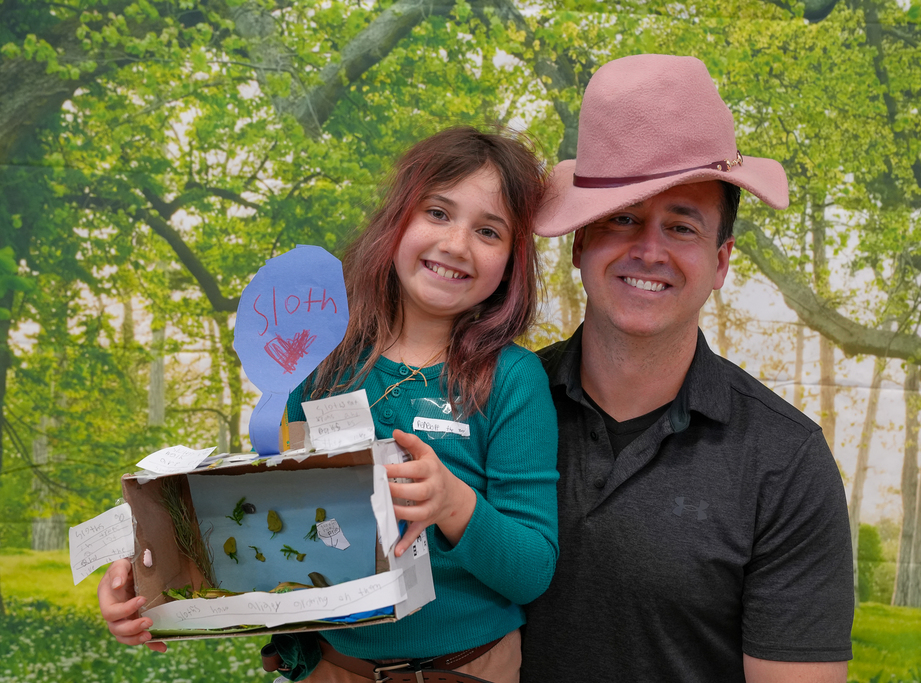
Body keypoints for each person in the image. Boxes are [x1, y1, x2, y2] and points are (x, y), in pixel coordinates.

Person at [98, 126, 559, 683]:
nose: (457, 244)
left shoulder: (512, 379)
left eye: (489, 231)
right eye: (438, 213)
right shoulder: (317, 361)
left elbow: (533, 569)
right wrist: (143, 577)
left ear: (512, 261)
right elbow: (259, 520)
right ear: (398, 221)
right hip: (333, 667)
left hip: (469, 669)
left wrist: (454, 505)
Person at [520, 54, 854, 682]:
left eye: (682, 226)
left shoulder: (785, 461)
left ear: (721, 261)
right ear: (580, 243)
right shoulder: (495, 407)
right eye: (622, 218)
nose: (650, 251)